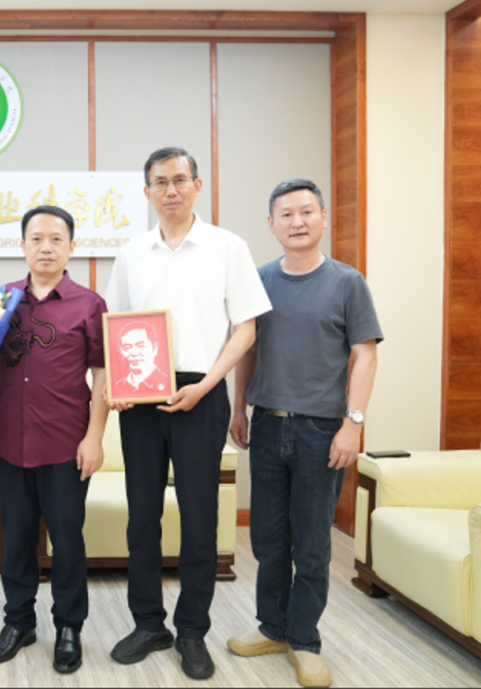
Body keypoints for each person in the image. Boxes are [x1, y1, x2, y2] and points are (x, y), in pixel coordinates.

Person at [104, 147, 272, 680]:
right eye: (160, 182)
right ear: (147, 192)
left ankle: (192, 630)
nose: (170, 190)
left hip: (204, 390)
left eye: (180, 180)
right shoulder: (131, 253)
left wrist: (207, 385)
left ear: (197, 185)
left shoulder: (228, 247)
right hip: (141, 397)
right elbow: (116, 327)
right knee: (142, 516)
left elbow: (246, 329)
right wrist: (118, 388)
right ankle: (148, 623)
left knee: (201, 519)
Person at [227, 179, 382, 688]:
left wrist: (352, 424)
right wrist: (238, 408)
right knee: (268, 539)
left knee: (312, 544)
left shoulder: (347, 282)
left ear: (323, 218)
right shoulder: (258, 281)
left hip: (323, 431)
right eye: (286, 214)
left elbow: (365, 355)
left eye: (307, 212)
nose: (297, 221)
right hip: (267, 424)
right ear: (271, 224)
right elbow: (247, 349)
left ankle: (304, 639)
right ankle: (272, 627)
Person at [0, 206, 108, 675]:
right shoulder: (1, 300)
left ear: (71, 247)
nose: (45, 247)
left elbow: (102, 375)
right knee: (17, 538)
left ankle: (69, 626)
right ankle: (19, 622)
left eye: (55, 239)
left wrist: (95, 437)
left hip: (67, 444)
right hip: (10, 440)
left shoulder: (89, 304)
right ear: (23, 245)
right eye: (36, 238)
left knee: (67, 540)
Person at [113, 320, 170, 398]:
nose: (134, 353)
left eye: (141, 346)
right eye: (127, 347)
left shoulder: (168, 384)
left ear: (155, 348)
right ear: (121, 351)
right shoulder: (116, 388)